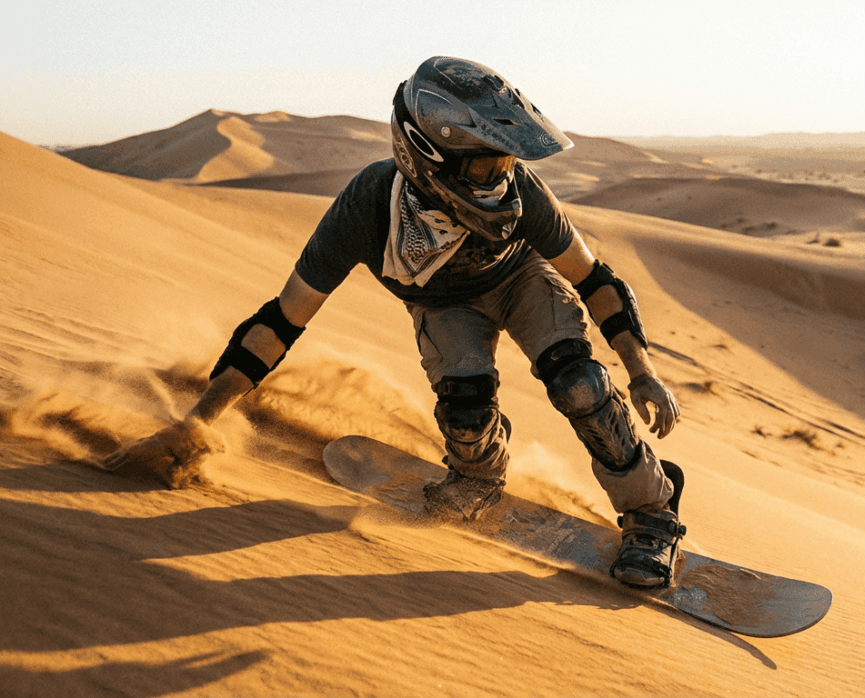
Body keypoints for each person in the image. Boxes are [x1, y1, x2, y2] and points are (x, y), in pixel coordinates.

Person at [102, 56, 686, 590]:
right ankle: (478, 477)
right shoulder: (365, 210)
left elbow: (594, 279)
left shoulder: (524, 193)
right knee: (465, 406)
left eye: (505, 161)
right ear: (427, 156)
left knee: (578, 382)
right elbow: (281, 321)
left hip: (521, 281)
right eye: (484, 164)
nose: (500, 178)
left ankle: (652, 514)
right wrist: (196, 421)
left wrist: (640, 370)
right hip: (443, 304)